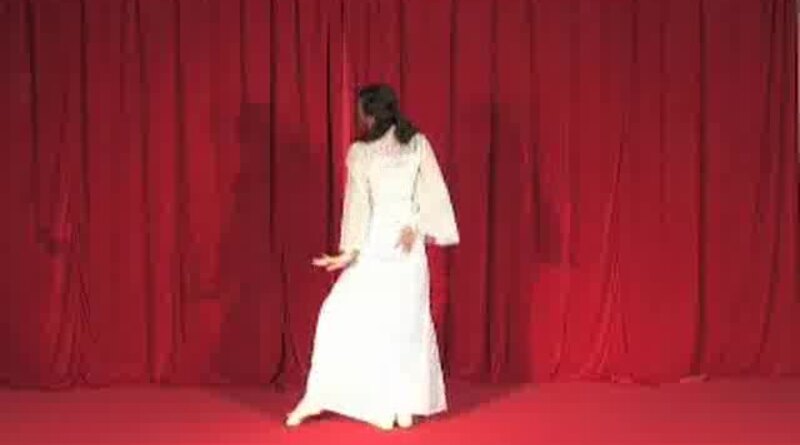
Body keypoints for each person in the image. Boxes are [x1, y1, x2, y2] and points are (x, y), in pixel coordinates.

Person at [285, 84, 460, 431]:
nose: (359, 118)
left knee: (405, 325)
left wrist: (418, 225)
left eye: (361, 111)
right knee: (339, 314)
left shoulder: (416, 144)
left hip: (406, 250)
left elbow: (433, 193)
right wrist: (348, 252)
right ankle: (323, 395)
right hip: (376, 246)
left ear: (371, 113)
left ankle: (403, 402)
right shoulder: (362, 153)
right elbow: (359, 205)